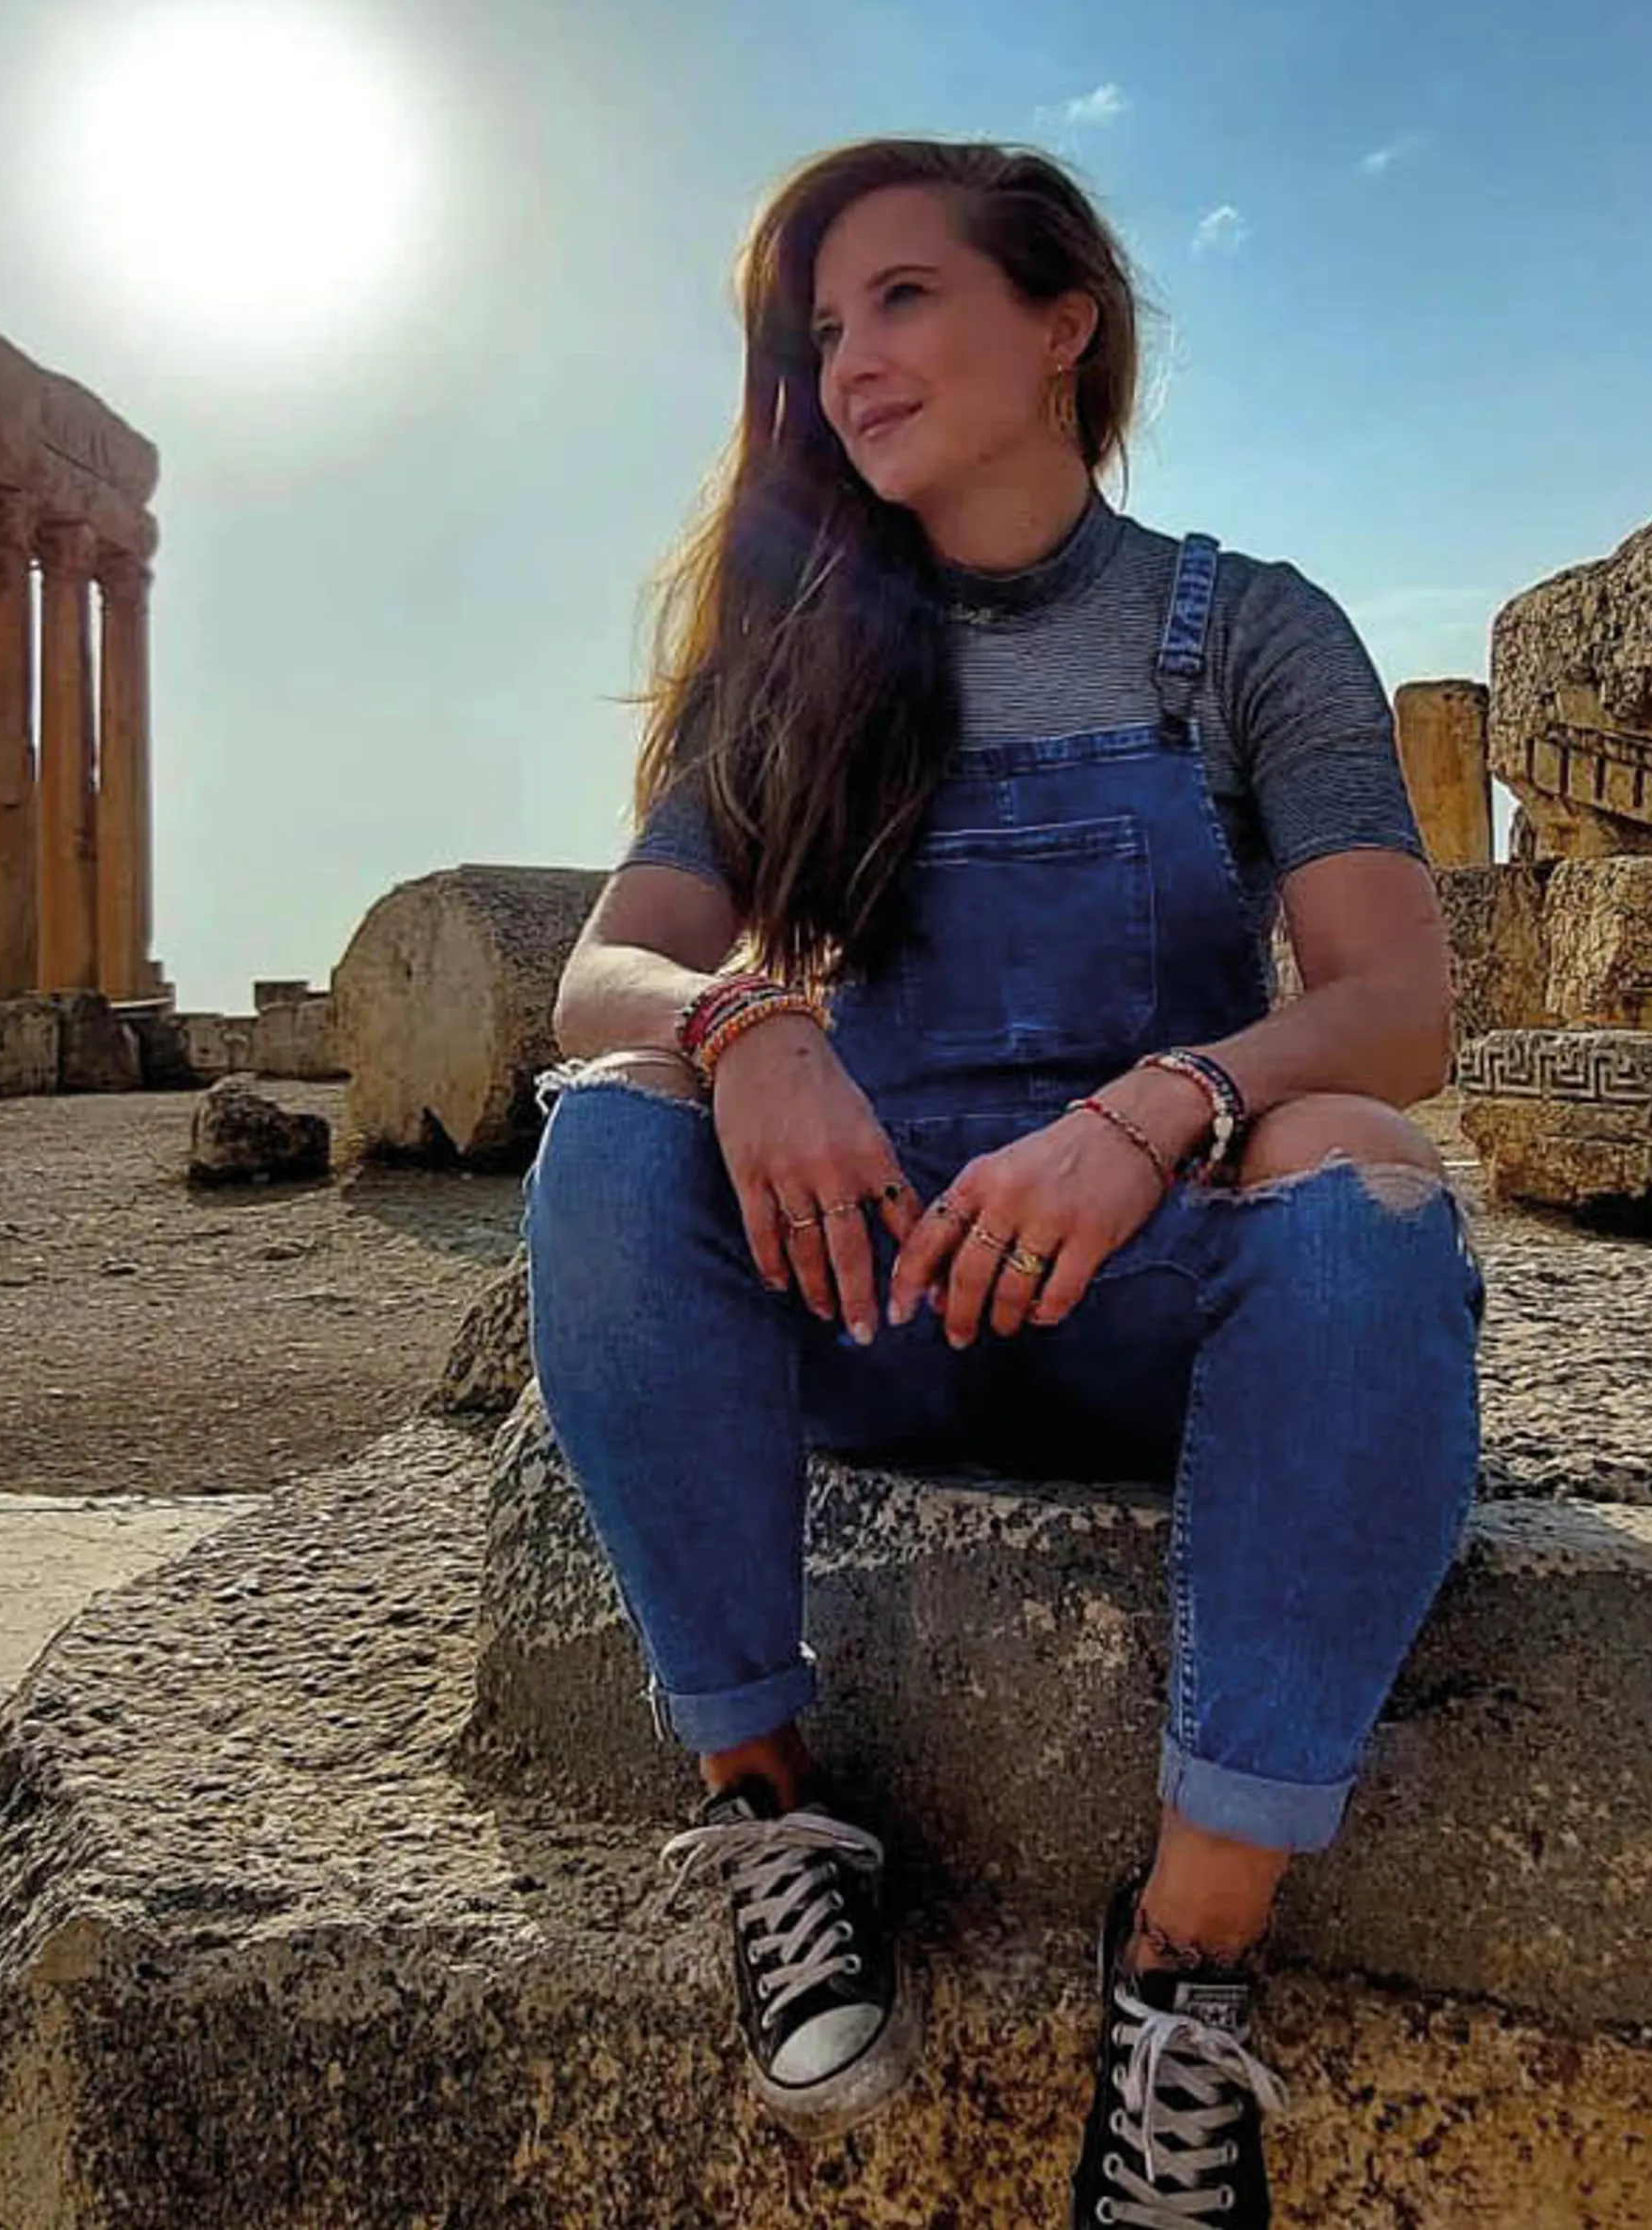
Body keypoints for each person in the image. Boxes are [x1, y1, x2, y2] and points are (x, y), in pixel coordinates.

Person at [516, 135, 1488, 2225]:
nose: (847, 361)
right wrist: (743, 1025)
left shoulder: (1245, 631)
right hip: (866, 1284)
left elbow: (1396, 1004)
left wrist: (1162, 1107)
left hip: (1142, 1302)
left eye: (901, 299)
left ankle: (1183, 1977)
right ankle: (772, 1820)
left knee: (1364, 1165)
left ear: (1062, 326)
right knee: (607, 1121)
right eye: (819, 327)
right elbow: (608, 964)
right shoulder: (781, 666)